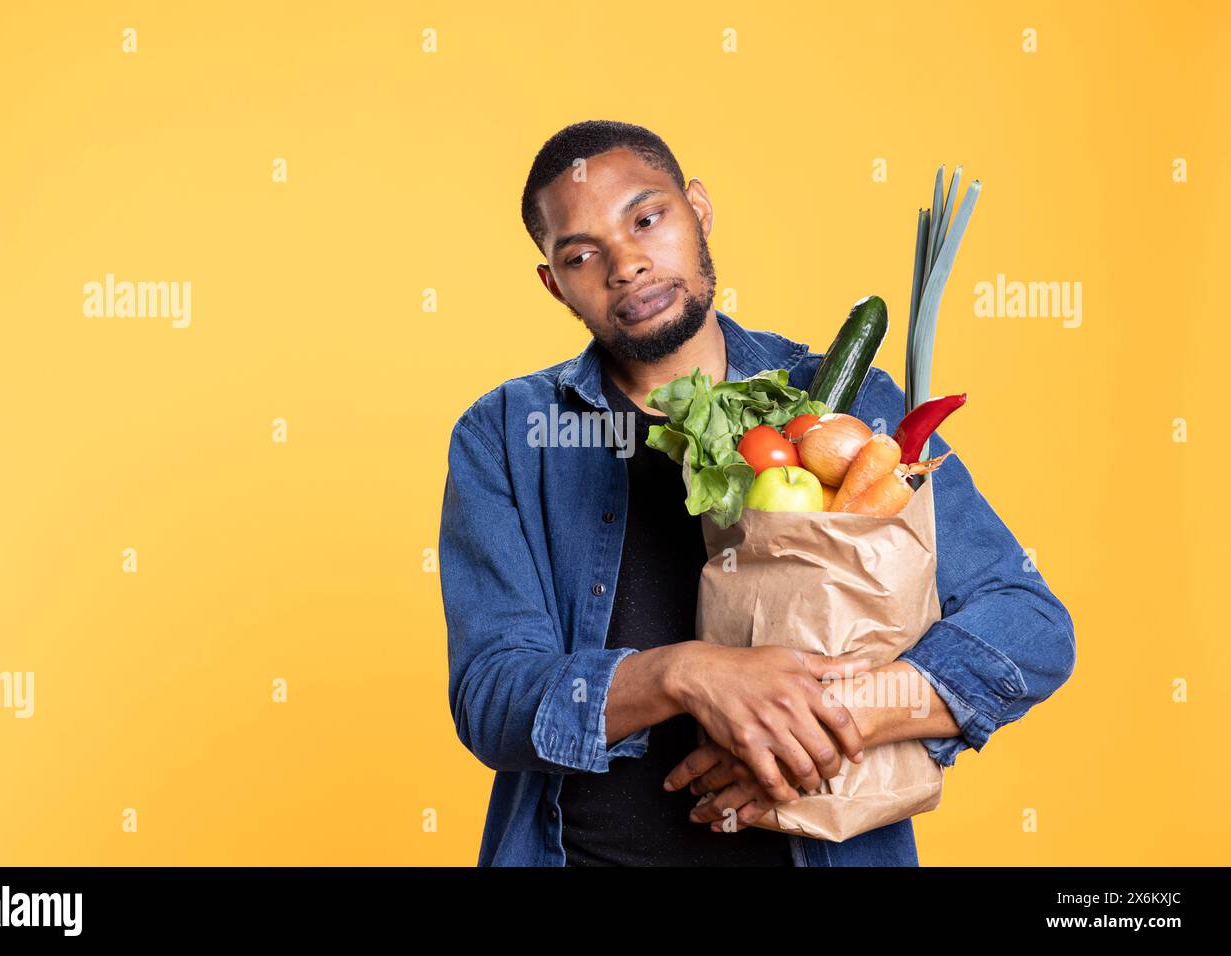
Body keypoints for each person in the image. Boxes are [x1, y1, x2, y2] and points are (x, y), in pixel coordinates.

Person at [438, 120, 1075, 866]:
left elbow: (1030, 628)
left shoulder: (849, 406)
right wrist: (688, 674)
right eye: (582, 254)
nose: (627, 264)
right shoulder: (508, 434)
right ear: (555, 283)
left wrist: (828, 716)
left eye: (648, 219)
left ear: (698, 210)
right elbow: (494, 697)